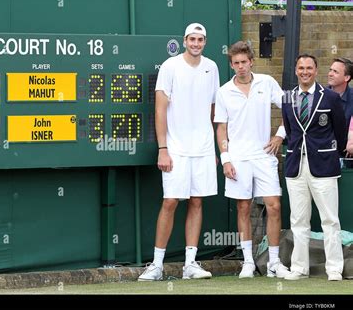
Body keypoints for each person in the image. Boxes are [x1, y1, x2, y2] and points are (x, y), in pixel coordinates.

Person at [138, 23, 219, 281]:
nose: (196, 43)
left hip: (204, 148)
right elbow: (160, 110)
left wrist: (214, 146)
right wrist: (163, 149)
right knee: (171, 201)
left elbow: (213, 108)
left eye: (201, 40)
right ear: (185, 41)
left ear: (205, 42)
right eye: (192, 39)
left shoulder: (212, 67)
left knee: (197, 201)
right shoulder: (170, 66)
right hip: (175, 148)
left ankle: (190, 265)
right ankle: (157, 265)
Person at [214, 41, 289, 279]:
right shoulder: (224, 91)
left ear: (251, 62)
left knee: (274, 205)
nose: (240, 67)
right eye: (236, 63)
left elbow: (290, 109)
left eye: (244, 62)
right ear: (232, 65)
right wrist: (226, 159)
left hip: (264, 155)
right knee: (243, 207)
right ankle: (247, 262)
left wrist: (279, 135)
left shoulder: (266, 82)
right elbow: (221, 128)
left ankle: (274, 263)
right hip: (238, 158)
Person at [282, 54, 346, 281]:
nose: (305, 72)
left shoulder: (330, 97)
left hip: (324, 166)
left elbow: (339, 130)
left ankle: (334, 269)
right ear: (296, 70)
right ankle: (299, 268)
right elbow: (291, 132)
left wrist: (329, 153)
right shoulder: (288, 97)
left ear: (316, 70)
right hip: (296, 166)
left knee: (330, 219)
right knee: (298, 220)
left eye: (309, 68)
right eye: (301, 68)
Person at [327, 57, 353, 167]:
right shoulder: (320, 96)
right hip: (323, 156)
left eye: (335, 71)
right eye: (330, 70)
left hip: (348, 158)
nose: (330, 74)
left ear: (347, 77)